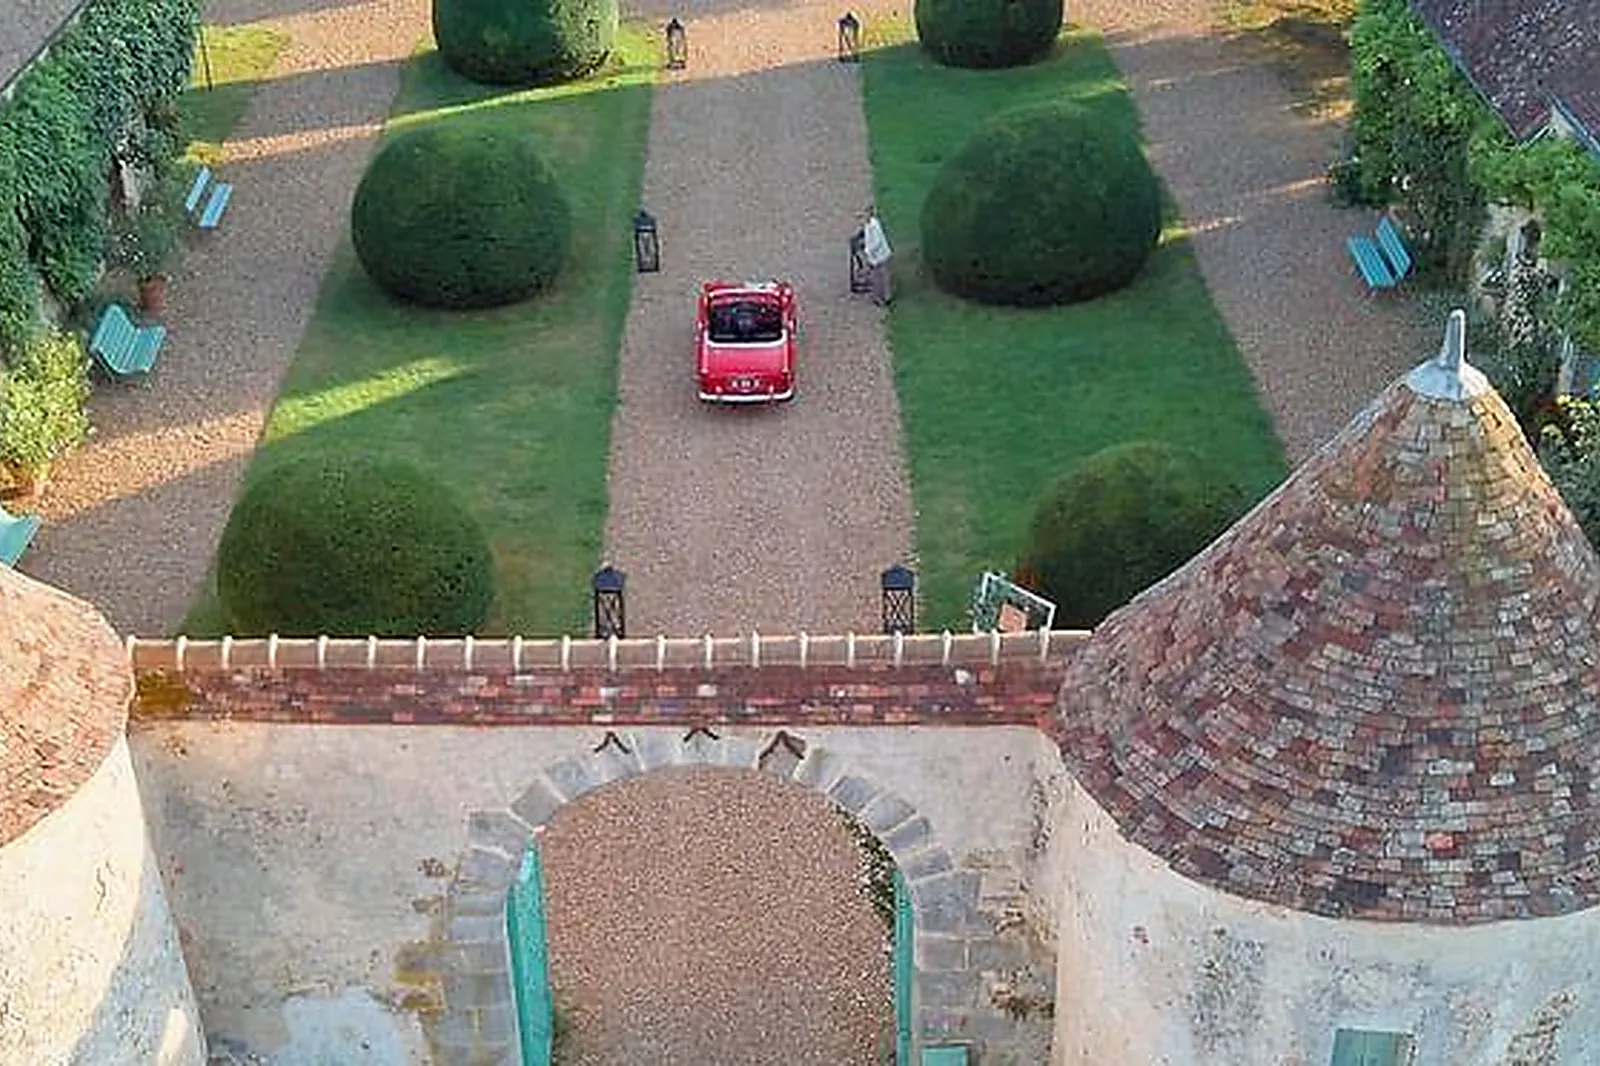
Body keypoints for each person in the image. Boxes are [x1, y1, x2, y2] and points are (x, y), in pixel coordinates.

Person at [861, 208, 893, 306]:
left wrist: (868, 251)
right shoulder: (869, 225)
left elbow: (876, 242)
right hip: (876, 255)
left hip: (879, 255)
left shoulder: (874, 226)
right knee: (880, 276)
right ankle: (884, 296)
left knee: (879, 277)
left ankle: (882, 297)